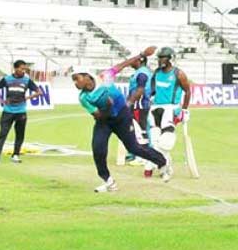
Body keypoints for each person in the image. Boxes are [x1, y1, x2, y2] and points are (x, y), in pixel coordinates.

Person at [71, 50, 173, 193]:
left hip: (122, 117)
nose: (75, 83)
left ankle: (162, 162)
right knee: (98, 150)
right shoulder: (83, 97)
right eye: (73, 80)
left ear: (87, 76)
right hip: (104, 121)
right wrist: (107, 107)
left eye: (77, 78)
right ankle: (108, 182)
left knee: (134, 148)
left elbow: (122, 65)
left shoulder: (104, 77)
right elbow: (98, 115)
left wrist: (141, 55)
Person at [0, 59, 43, 165]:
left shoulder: (27, 80)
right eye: (21, 68)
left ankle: (15, 155)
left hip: (21, 112)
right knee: (3, 134)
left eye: (25, 69)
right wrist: (0, 100)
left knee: (20, 135)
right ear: (15, 68)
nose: (23, 71)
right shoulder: (7, 79)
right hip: (8, 111)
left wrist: (27, 98)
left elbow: (39, 92)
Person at [148, 47, 192, 178]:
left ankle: (160, 164)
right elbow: (152, 90)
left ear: (170, 59)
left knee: (166, 140)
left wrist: (184, 110)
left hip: (171, 108)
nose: (160, 60)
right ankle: (165, 164)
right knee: (154, 140)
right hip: (155, 108)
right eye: (159, 58)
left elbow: (187, 91)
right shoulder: (156, 73)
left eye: (163, 58)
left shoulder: (178, 74)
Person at [124, 55, 154, 168]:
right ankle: (136, 153)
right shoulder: (141, 72)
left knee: (141, 130)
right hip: (139, 104)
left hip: (139, 104)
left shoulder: (142, 73)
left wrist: (129, 103)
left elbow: (140, 90)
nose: (130, 61)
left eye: (133, 59)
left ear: (140, 61)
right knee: (137, 129)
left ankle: (143, 156)